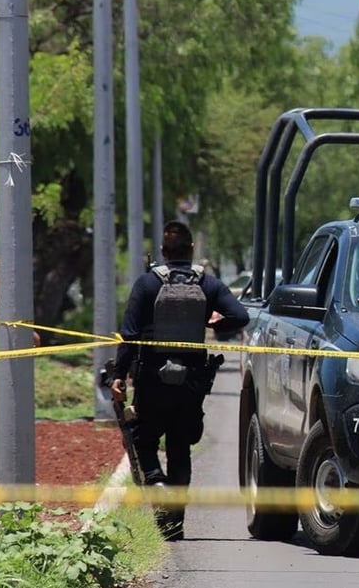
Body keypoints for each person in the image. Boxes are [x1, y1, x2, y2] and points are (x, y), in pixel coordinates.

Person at [110, 221, 249, 540]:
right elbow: (241, 317)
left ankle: (158, 485)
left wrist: (119, 375)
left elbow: (129, 334)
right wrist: (213, 322)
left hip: (151, 378)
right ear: (190, 250)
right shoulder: (209, 285)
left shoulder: (147, 284)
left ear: (162, 251)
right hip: (191, 381)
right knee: (180, 446)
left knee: (144, 441)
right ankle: (175, 525)